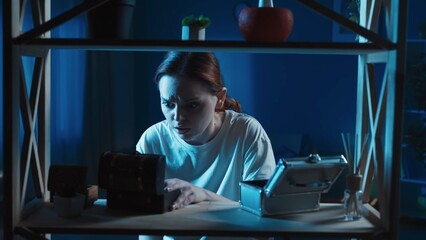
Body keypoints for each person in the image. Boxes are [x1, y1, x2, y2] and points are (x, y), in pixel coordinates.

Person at [136, 51, 276, 211]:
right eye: (168, 104)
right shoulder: (152, 140)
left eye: (192, 105)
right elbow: (147, 223)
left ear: (220, 98)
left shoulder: (246, 133)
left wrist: (203, 196)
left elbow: (263, 214)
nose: (178, 117)